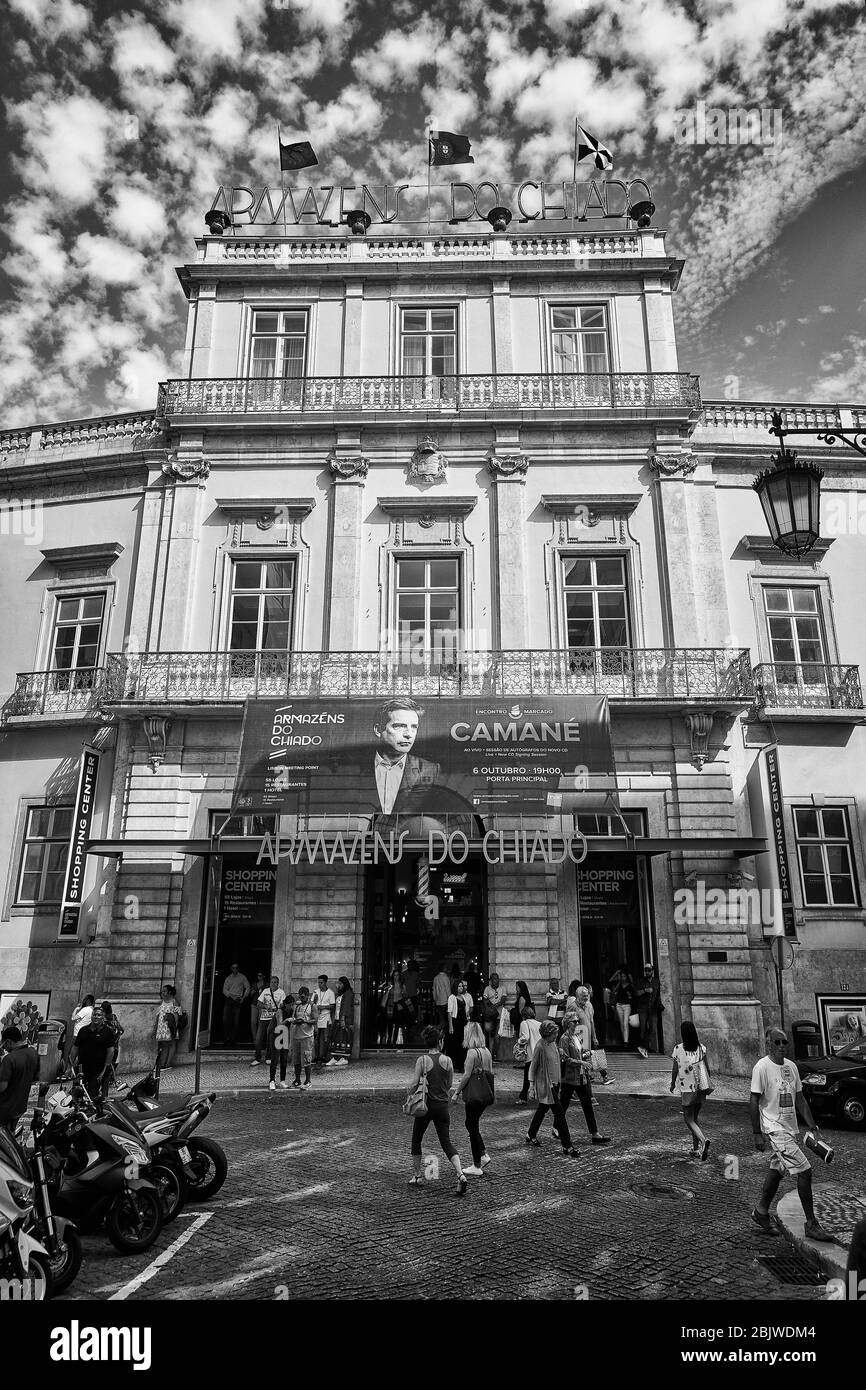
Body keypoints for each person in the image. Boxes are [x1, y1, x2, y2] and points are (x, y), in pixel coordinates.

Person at [749, 1026, 832, 1241]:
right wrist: (757, 1132)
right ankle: (811, 1224)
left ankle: (761, 1211)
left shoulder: (792, 1067)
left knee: (776, 1171)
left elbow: (800, 1099)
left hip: (790, 1129)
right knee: (804, 1171)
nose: (782, 1046)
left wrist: (812, 1126)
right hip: (775, 1130)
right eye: (777, 1042)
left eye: (784, 1042)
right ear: (768, 1044)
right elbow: (754, 1100)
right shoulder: (761, 1067)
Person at [407, 1024, 468, 1196]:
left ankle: (418, 1176)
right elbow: (449, 1084)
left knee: (416, 1139)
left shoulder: (422, 1060)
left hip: (425, 1107)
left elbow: (413, 1084)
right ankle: (460, 1174)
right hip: (442, 1107)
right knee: (446, 1142)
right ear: (440, 1042)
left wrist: (410, 1091)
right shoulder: (447, 1061)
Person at [525, 1020, 580, 1157]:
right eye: (554, 1033)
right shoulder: (540, 1046)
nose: (556, 1035)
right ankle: (567, 1146)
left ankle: (530, 1134)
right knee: (560, 1114)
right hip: (546, 1085)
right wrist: (531, 1087)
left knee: (542, 1109)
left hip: (555, 1084)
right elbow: (532, 1067)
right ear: (547, 1034)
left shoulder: (553, 1044)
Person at [557, 1012, 611, 1145]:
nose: (577, 1023)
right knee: (563, 1105)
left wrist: (588, 1054)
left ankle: (595, 1134)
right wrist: (581, 1062)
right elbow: (565, 1059)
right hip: (570, 1078)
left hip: (581, 1076)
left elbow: (580, 1053)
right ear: (568, 1023)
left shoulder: (575, 1036)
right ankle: (555, 1126)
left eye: (577, 1021)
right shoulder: (564, 1039)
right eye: (574, 1021)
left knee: (587, 1105)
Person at [450, 1021, 494, 1176]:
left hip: (474, 1095)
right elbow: (489, 1073)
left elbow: (466, 1075)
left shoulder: (471, 1053)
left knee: (471, 1125)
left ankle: (477, 1163)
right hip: (484, 1095)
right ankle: (483, 1155)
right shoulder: (487, 1051)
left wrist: (456, 1092)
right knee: (472, 1124)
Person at [670, 1020, 711, 1160]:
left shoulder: (678, 1049)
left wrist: (672, 1083)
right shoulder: (702, 1048)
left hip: (687, 1089)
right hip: (700, 1087)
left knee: (688, 1119)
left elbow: (675, 1069)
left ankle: (703, 1141)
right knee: (694, 1118)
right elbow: (707, 1068)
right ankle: (695, 1149)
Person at [0, 1026, 39, 1137]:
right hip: (20, 1106)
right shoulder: (33, 1054)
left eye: (5, 1046)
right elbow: (34, 1079)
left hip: (5, 1108)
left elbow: (2, 1087)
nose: (5, 1049)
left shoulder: (9, 1059)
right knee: (10, 1135)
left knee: (4, 1138)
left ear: (9, 1042)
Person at [71, 1003, 116, 1100]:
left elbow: (110, 1051)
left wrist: (104, 1070)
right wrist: (69, 1066)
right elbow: (75, 1047)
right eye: (94, 1014)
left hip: (97, 1069)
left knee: (93, 1095)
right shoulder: (83, 1030)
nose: (96, 1017)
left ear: (103, 1017)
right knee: (77, 1093)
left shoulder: (107, 1032)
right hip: (82, 1068)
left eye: (99, 1015)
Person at [575, 984, 611, 1085]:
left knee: (595, 1054)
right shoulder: (575, 1006)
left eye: (587, 994)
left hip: (589, 1034)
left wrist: (594, 1037)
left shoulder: (589, 1005)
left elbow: (591, 1022)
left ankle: (603, 1076)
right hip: (581, 1036)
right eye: (585, 995)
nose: (588, 996)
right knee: (586, 1056)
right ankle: (597, 1076)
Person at [252, 976, 286, 1068]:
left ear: (278, 983)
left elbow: (283, 1005)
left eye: (275, 982)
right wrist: (265, 1006)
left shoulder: (281, 992)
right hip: (263, 1018)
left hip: (274, 1019)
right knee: (258, 1039)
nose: (273, 984)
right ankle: (257, 1058)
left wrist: (278, 1007)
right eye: (272, 982)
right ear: (270, 983)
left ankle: (268, 1057)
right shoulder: (265, 991)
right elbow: (258, 1003)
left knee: (270, 1039)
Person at [290, 987, 318, 1089]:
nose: (302, 998)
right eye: (300, 997)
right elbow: (294, 1018)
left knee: (307, 1059)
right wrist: (294, 1021)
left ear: (307, 995)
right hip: (297, 1036)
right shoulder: (297, 1006)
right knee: (296, 1060)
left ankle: (308, 1080)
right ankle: (297, 1080)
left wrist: (305, 1021)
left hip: (307, 1037)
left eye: (303, 997)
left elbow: (315, 1020)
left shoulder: (312, 1006)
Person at [633, 964, 661, 1058]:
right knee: (643, 1029)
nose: (647, 972)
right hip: (642, 1008)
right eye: (646, 970)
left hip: (653, 1008)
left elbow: (658, 994)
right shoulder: (641, 981)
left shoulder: (656, 981)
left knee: (653, 1028)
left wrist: (659, 1005)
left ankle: (643, 1047)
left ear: (652, 970)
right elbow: (636, 993)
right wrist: (645, 990)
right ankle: (644, 1049)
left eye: (649, 970)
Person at [515, 1004, 541, 1104]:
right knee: (539, 1076)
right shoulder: (539, 1023)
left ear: (523, 1015)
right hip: (539, 1053)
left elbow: (525, 1037)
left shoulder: (524, 1023)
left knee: (528, 1076)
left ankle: (523, 1097)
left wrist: (518, 1041)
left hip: (531, 1054)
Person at [154, 984, 183, 1070]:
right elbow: (158, 1015)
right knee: (164, 1045)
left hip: (171, 1026)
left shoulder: (174, 1001)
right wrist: (155, 1027)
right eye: (162, 991)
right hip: (162, 1027)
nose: (162, 992)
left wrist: (174, 1026)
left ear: (169, 992)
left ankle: (168, 1063)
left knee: (172, 1044)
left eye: (164, 991)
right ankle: (163, 1064)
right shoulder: (162, 1001)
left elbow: (179, 1014)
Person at [268, 991, 293, 1090]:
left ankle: (282, 1080)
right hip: (276, 1035)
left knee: (284, 1059)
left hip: (285, 1035)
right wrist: (287, 1020)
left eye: (292, 1005)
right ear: (285, 1004)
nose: (291, 1007)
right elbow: (279, 1025)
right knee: (275, 1058)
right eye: (290, 1005)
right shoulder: (280, 1011)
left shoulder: (291, 1011)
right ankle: (272, 1080)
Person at [446, 979, 473, 1070]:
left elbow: (466, 1010)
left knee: (463, 1043)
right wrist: (450, 1025)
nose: (461, 988)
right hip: (455, 1022)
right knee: (454, 1043)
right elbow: (449, 1012)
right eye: (459, 986)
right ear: (455, 987)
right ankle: (454, 1065)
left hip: (463, 1022)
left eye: (462, 986)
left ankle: (461, 1064)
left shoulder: (463, 997)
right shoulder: (452, 997)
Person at [221, 963, 250, 1046]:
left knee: (236, 1021)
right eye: (233, 967)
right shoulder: (228, 978)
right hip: (229, 1000)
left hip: (238, 1000)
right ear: (231, 968)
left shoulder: (242, 977)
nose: (235, 969)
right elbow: (224, 990)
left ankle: (233, 1039)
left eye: (236, 967)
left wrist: (244, 998)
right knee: (226, 1019)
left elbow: (247, 987)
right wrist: (231, 996)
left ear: (238, 968)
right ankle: (227, 1038)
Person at [329, 977, 354, 1067]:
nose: (338, 985)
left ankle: (344, 1058)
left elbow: (346, 1007)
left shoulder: (348, 993)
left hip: (344, 1020)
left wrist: (343, 1019)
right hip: (337, 1018)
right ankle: (335, 1057)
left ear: (345, 984)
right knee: (336, 1038)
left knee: (344, 1038)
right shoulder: (341, 994)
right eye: (338, 983)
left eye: (340, 984)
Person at [608, 965, 634, 1048]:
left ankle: (626, 1042)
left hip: (627, 1006)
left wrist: (630, 996)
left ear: (627, 976)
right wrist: (616, 973)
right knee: (622, 1024)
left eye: (624, 976)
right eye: (621, 976)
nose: (623, 978)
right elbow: (610, 981)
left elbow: (633, 994)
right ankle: (624, 1041)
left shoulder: (630, 985)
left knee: (625, 1023)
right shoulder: (618, 984)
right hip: (619, 1005)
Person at [312, 975, 336, 1064]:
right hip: (317, 1018)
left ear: (325, 982)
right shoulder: (316, 992)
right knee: (316, 1038)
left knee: (325, 1039)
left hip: (326, 1017)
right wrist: (315, 1005)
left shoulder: (330, 993)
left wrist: (324, 1007)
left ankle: (324, 1057)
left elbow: (333, 1006)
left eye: (321, 982)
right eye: (318, 982)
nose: (319, 984)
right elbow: (312, 1004)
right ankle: (317, 1057)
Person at [481, 972, 505, 1052]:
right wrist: (489, 1009)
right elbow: (484, 1000)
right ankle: (490, 1054)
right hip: (490, 1016)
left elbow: (503, 1000)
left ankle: (495, 1053)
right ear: (491, 980)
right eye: (494, 979)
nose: (496, 980)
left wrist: (493, 1006)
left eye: (497, 978)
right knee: (489, 1033)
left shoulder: (502, 988)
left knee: (497, 1036)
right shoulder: (487, 989)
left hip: (499, 1016)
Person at [382, 968, 407, 1046]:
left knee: (397, 1024)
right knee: (389, 1023)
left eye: (397, 975)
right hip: (390, 1005)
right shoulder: (390, 985)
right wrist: (388, 989)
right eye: (395, 975)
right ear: (392, 976)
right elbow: (385, 994)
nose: (396, 977)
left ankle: (394, 1041)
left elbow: (405, 996)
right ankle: (389, 1038)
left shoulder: (402, 985)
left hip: (398, 1005)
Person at [100, 1001, 124, 1078]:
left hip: (105, 1046)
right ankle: (109, 1078)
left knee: (104, 1063)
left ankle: (105, 1078)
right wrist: (116, 1038)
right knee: (112, 1063)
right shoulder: (114, 1017)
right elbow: (121, 1030)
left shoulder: (103, 1020)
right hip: (115, 1045)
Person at [249, 972, 267, 1048]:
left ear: (263, 976)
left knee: (260, 1023)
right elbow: (250, 994)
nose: (259, 977)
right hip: (254, 1004)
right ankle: (255, 1039)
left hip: (262, 1005)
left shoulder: (266, 985)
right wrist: (252, 991)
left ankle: (259, 1040)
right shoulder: (254, 984)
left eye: (260, 976)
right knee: (253, 1022)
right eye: (258, 976)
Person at [432, 962, 451, 1028]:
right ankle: (444, 1030)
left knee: (441, 1017)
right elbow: (447, 989)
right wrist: (450, 999)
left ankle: (441, 1028)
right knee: (446, 1017)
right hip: (445, 1000)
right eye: (446, 967)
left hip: (438, 1000)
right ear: (444, 968)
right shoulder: (445, 977)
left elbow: (434, 989)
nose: (447, 969)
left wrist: (434, 998)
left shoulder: (435, 978)